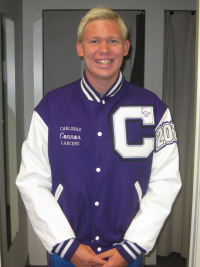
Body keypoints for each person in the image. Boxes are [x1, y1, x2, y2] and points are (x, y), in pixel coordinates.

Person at [16, 6, 181, 267]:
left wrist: (131, 248)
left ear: (125, 48)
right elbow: (31, 180)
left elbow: (166, 182)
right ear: (80, 48)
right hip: (67, 251)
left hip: (125, 252)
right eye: (94, 41)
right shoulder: (51, 107)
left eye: (113, 41)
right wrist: (66, 246)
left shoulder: (153, 109)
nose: (104, 50)